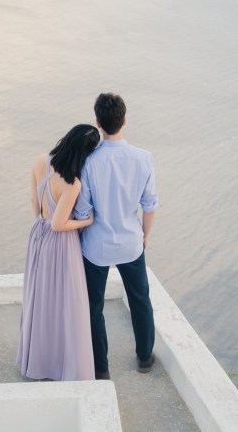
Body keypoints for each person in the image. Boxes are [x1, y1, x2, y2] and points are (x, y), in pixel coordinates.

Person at [74, 93, 158, 380]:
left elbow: (83, 210)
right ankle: (145, 357)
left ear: (98, 122)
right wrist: (145, 236)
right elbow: (149, 205)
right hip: (131, 244)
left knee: (94, 307)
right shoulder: (144, 159)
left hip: (96, 247)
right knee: (140, 300)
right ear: (125, 120)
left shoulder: (88, 163)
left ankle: (101, 368)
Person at [16, 124, 100, 381]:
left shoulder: (41, 160)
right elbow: (59, 224)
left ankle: (36, 361)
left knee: (39, 298)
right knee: (65, 303)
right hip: (60, 244)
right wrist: (86, 222)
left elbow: (35, 207)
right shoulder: (72, 183)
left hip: (37, 237)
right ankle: (60, 364)